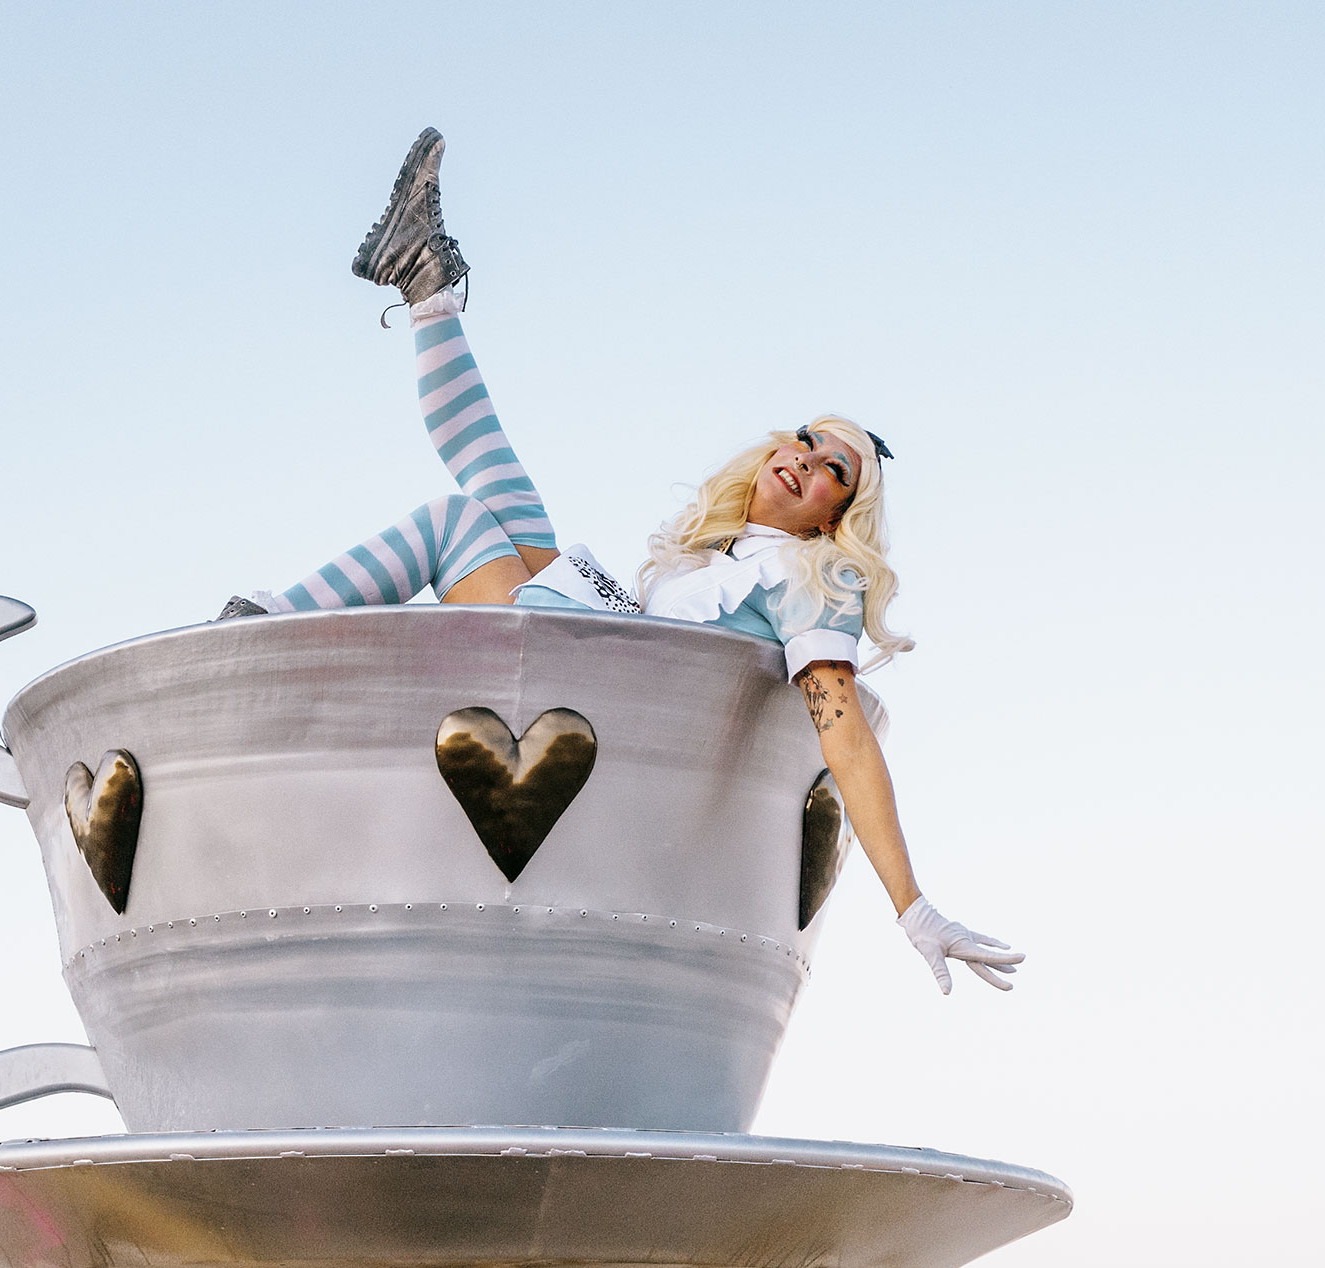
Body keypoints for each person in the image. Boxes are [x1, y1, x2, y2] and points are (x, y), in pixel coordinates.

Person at [218, 130, 1020, 995]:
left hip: (590, 694)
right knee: (495, 489)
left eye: (835, 469)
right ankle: (425, 284)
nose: (806, 460)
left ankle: (263, 631)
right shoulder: (716, 557)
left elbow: (846, 737)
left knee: (456, 520)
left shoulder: (814, 578)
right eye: (805, 440)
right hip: (592, 637)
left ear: (839, 514)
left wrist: (913, 906)